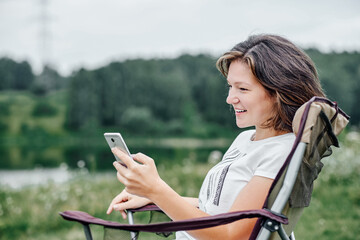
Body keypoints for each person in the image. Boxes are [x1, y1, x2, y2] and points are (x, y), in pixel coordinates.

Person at [106, 34, 325, 240]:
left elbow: (231, 234)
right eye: (230, 86)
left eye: (243, 89)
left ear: (278, 93)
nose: (230, 98)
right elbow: (217, 208)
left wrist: (156, 189)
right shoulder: (245, 139)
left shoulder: (280, 151)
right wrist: (154, 196)